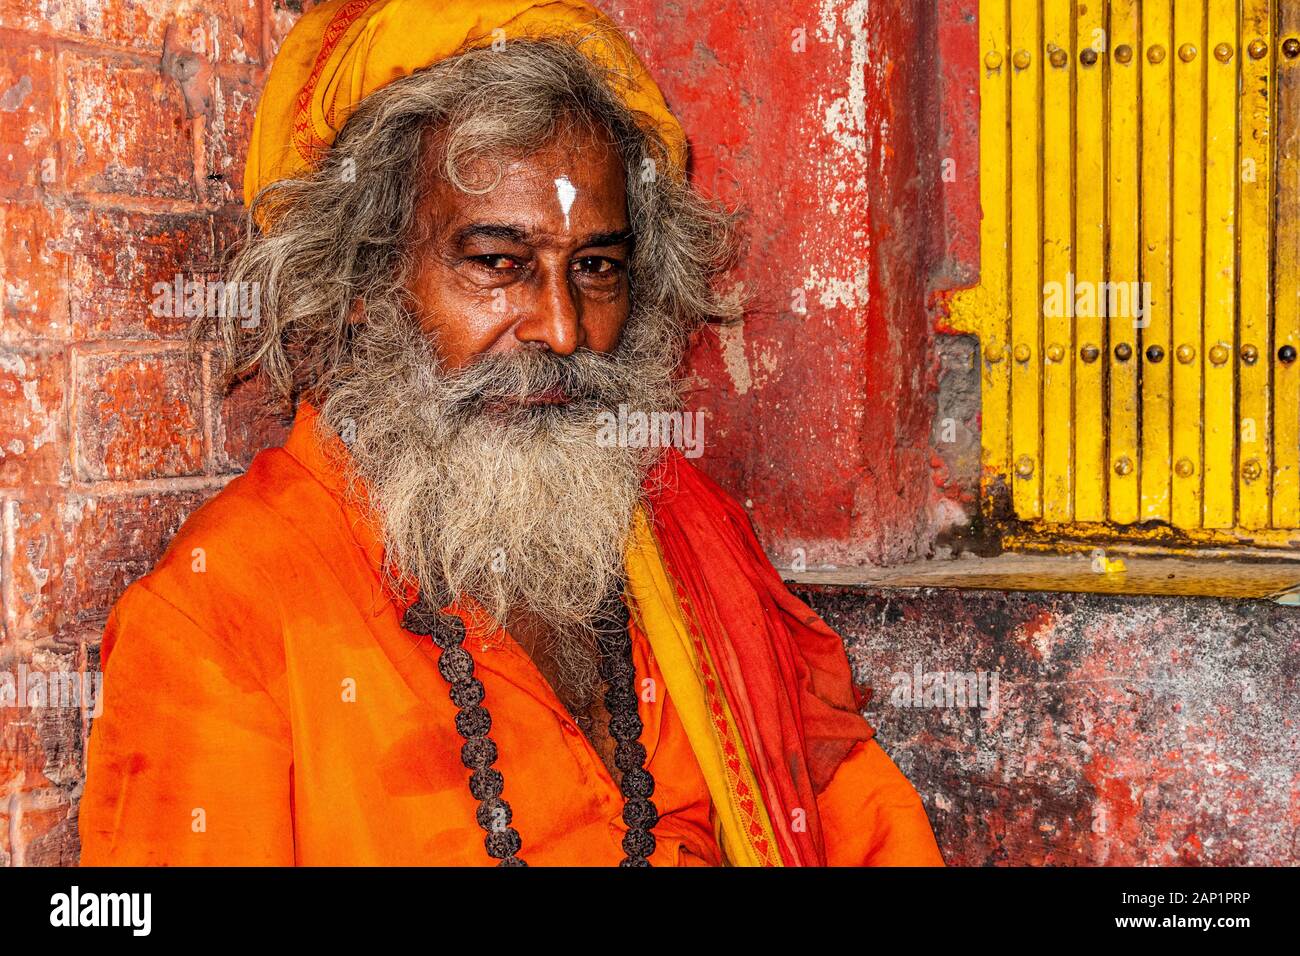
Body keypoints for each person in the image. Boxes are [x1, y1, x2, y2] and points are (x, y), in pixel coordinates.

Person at [78, 0, 943, 867]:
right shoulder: (219, 616)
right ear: (359, 279)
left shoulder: (684, 528)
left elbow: (856, 817)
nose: (562, 330)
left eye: (596, 268)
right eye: (498, 264)